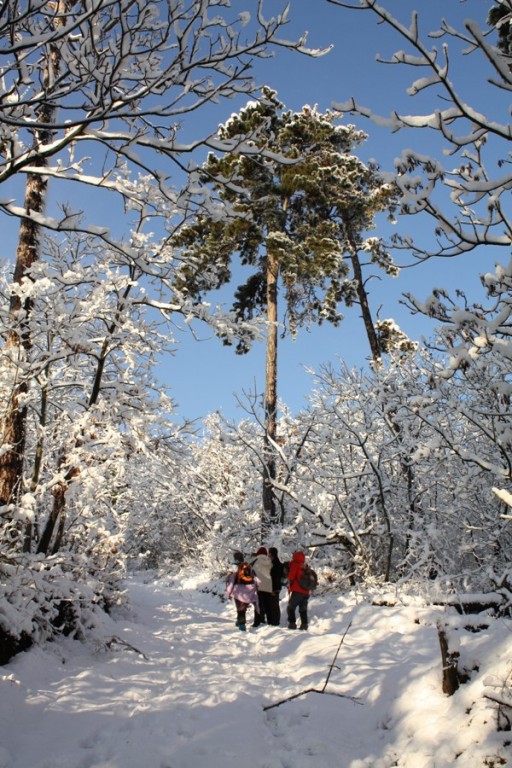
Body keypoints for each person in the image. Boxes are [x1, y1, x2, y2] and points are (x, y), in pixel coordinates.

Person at [226, 551, 260, 632]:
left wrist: (228, 593)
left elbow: (231, 581)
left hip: (239, 591)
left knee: (240, 608)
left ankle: (242, 625)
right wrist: (256, 587)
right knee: (243, 607)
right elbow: (255, 578)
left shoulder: (234, 567)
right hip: (249, 591)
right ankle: (239, 620)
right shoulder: (248, 566)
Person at [287, 550, 310, 631]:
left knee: (291, 607)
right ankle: (304, 624)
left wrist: (289, 584)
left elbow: (291, 577)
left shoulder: (295, 565)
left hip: (297, 590)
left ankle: (292, 624)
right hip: (306, 592)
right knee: (303, 609)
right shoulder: (305, 566)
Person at [251, 547, 273, 627]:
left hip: (258, 586)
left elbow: (252, 573)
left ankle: (257, 622)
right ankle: (269, 622)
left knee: (258, 605)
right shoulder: (269, 561)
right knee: (267, 605)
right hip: (268, 586)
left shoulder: (256, 561)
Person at [268, 546, 284, 626]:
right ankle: (274, 621)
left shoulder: (274, 564)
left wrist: (272, 589)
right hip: (277, 587)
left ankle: (275, 622)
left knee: (273, 606)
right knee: (274, 605)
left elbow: (274, 578)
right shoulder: (278, 563)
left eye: (269, 553)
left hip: (274, 588)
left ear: (271, 554)